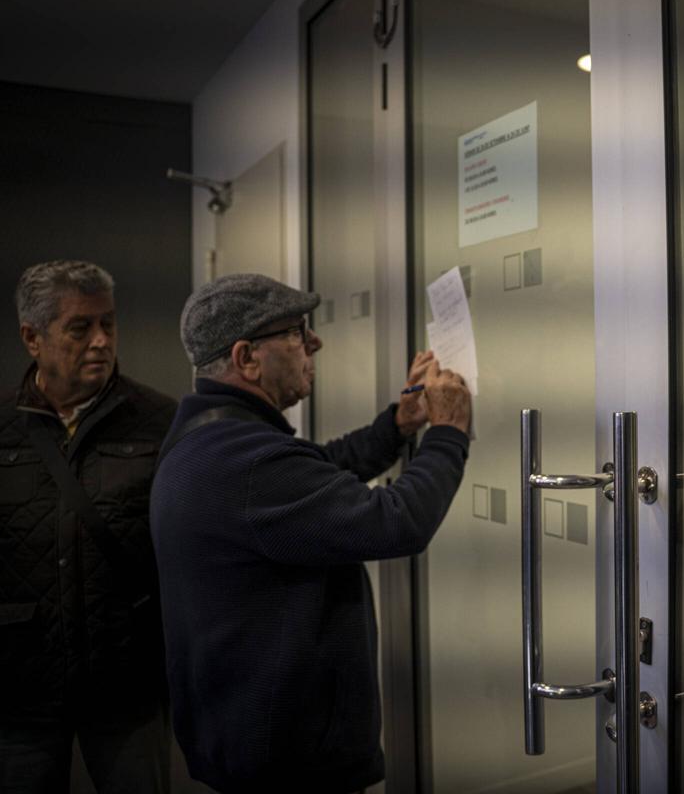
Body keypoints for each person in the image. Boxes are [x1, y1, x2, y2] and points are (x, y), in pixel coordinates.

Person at [150, 273, 470, 793]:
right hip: (289, 766)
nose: (314, 342)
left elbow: (318, 470)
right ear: (246, 358)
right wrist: (449, 432)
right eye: (297, 332)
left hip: (254, 744)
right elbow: (397, 522)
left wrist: (400, 423)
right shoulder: (245, 462)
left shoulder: (210, 437)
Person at [0, 261, 175, 793]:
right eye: (81, 328)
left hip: (127, 680)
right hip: (21, 683)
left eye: (109, 324)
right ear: (33, 337)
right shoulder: (4, 428)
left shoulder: (159, 420)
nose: (101, 341)